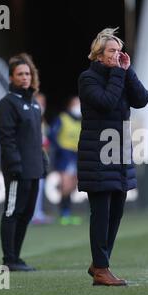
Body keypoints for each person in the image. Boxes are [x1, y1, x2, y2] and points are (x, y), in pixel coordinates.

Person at [78, 27, 148, 286]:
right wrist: (119, 74)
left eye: (120, 50)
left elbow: (142, 99)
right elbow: (106, 102)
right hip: (97, 152)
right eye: (112, 51)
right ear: (98, 55)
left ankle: (99, 261)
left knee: (117, 210)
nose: (117, 55)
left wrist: (128, 71)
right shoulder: (88, 79)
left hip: (119, 150)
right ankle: (101, 268)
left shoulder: (120, 74)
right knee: (101, 211)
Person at [0, 53, 48, 271]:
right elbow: (6, 138)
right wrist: (15, 164)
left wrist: (43, 161)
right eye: (20, 74)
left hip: (34, 168)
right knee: (12, 212)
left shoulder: (34, 105)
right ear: (11, 78)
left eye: (27, 73)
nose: (25, 77)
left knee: (26, 214)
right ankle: (9, 259)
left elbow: (36, 138)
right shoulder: (7, 104)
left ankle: (16, 257)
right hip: (17, 170)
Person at [48, 96, 82, 226]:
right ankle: (63, 213)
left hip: (76, 154)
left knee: (73, 185)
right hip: (65, 155)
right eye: (76, 104)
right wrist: (59, 148)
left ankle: (66, 212)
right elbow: (52, 134)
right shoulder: (63, 118)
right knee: (66, 184)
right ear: (70, 105)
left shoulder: (79, 121)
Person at [31, 92, 55, 225]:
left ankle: (37, 213)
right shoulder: (32, 117)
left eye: (43, 102)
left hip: (41, 156)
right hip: (33, 156)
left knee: (39, 186)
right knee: (34, 186)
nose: (42, 105)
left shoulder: (42, 119)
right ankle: (32, 214)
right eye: (39, 102)